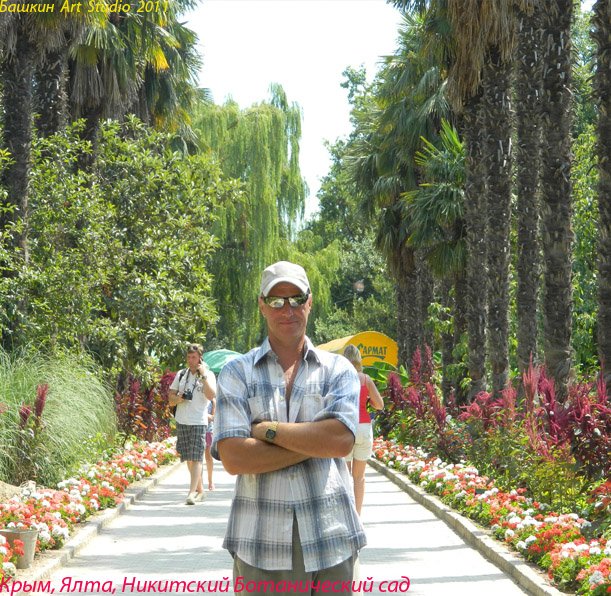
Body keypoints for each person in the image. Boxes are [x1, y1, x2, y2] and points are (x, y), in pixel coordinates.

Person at [212, 261, 366, 593]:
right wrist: (316, 441)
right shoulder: (237, 373)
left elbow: (341, 441)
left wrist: (265, 430)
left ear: (310, 302)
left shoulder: (338, 369)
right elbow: (235, 458)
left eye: (296, 298)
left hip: (331, 541)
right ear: (262, 305)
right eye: (276, 300)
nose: (287, 309)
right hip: (260, 546)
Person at [169, 343, 216, 505]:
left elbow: (211, 395)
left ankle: (191, 493)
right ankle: (200, 491)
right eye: (188, 357)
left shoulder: (208, 375)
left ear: (200, 358)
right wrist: (179, 398)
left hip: (199, 421)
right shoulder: (182, 374)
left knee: (196, 458)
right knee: (189, 458)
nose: (190, 360)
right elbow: (170, 399)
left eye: (194, 357)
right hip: (182, 420)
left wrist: (203, 376)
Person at [342, 344, 384, 516]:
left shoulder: (339, 378)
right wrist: (370, 402)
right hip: (364, 427)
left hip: (346, 427)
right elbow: (380, 405)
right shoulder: (366, 379)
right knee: (359, 477)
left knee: (344, 476)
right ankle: (357, 517)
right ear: (359, 360)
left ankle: (347, 516)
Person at [204, 400, 215, 491]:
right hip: (196, 428)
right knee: (197, 458)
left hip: (208, 429)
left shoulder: (212, 401)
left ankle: (210, 481)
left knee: (208, 456)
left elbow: (213, 417)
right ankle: (198, 483)